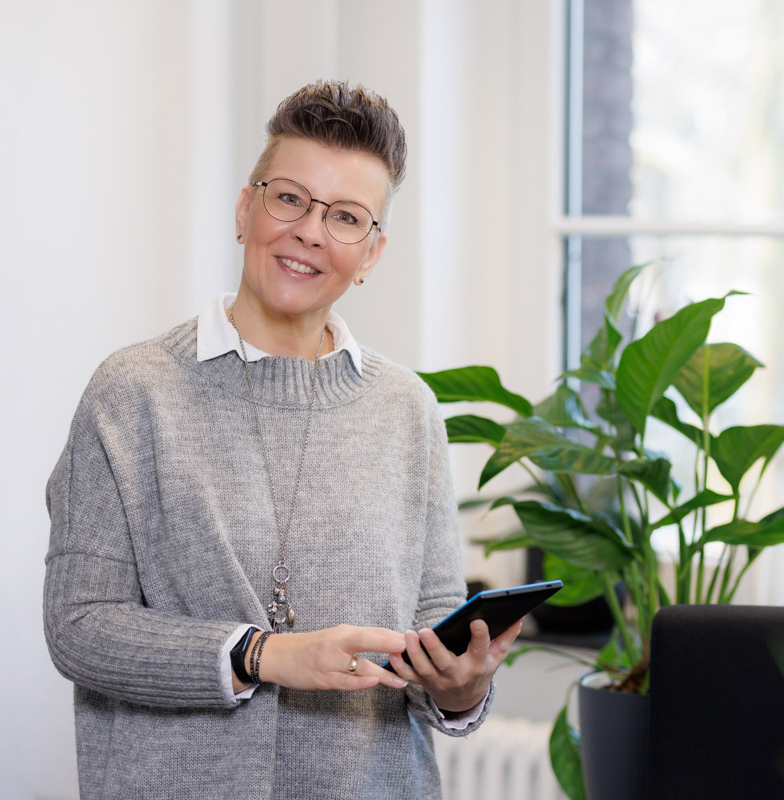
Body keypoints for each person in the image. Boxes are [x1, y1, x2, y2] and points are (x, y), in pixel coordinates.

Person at [43, 80, 520, 799]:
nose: (310, 232)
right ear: (246, 209)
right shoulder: (132, 392)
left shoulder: (406, 412)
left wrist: (460, 687)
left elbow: (431, 643)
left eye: (346, 217)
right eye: (290, 198)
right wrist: (261, 655)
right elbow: (79, 627)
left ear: (372, 254)